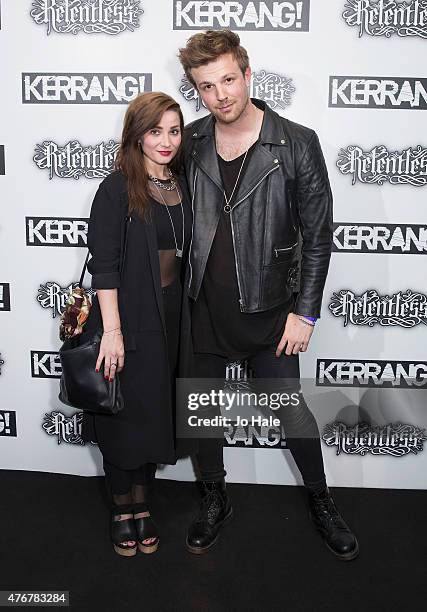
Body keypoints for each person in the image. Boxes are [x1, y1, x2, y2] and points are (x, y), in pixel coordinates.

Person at [178, 30, 359, 560]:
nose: (221, 95)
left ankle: (323, 501)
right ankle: (215, 497)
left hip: (272, 311)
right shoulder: (189, 143)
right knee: (201, 409)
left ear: (248, 75)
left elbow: (319, 235)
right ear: (197, 91)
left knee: (291, 411)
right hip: (203, 308)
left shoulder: (296, 142)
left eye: (229, 79)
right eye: (207, 86)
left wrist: (304, 312)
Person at [81, 92, 191, 556]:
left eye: (174, 130)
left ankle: (142, 504)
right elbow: (103, 265)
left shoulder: (182, 182)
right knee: (122, 416)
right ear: (137, 135)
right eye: (155, 131)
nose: (166, 141)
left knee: (152, 415)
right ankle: (121, 508)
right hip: (126, 318)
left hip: (171, 319)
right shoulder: (117, 187)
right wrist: (113, 331)